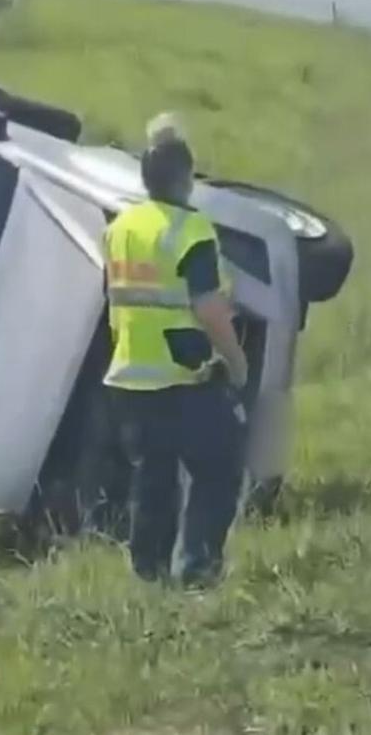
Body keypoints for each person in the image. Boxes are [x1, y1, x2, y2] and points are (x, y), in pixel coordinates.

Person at [103, 121, 248, 586]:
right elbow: (207, 307)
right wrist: (237, 361)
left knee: (153, 482)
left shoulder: (121, 226)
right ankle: (197, 571)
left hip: (130, 374)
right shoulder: (192, 230)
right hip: (185, 375)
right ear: (186, 176)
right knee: (219, 470)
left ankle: (149, 574)